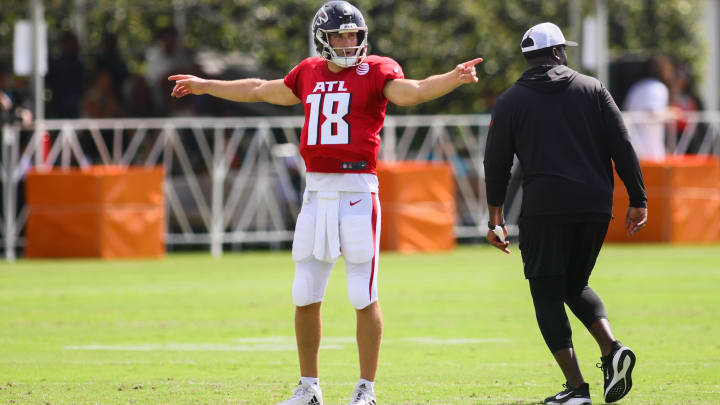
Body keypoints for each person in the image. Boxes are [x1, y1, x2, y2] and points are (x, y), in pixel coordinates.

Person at [168, 2, 481, 404]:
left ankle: (366, 390)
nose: (349, 42)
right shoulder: (308, 71)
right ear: (324, 39)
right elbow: (260, 89)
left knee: (361, 294)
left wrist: (453, 78)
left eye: (354, 34)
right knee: (304, 293)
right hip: (315, 192)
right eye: (341, 35)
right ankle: (308, 388)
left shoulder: (378, 69)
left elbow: (414, 91)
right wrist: (207, 84)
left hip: (356, 191)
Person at [483, 22, 647, 404]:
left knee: (546, 291)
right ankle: (611, 350)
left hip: (545, 207)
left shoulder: (511, 100)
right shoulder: (592, 88)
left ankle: (576, 389)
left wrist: (496, 219)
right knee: (574, 284)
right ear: (557, 52)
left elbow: (496, 163)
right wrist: (637, 198)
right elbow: (622, 143)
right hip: (595, 206)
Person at [622, 54, 675, 160]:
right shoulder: (658, 88)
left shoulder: (636, 87)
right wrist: (672, 114)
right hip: (649, 151)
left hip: (632, 146)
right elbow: (652, 114)